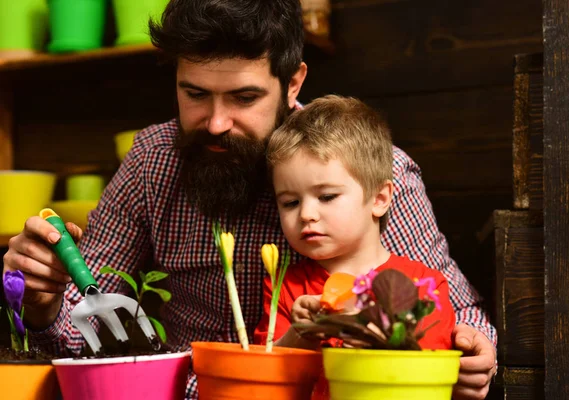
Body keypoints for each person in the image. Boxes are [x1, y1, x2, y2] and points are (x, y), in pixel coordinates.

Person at [2, 0, 497, 399]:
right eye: (194, 94)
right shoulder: (153, 163)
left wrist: (474, 352)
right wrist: (45, 303)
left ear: (293, 83)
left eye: (243, 98)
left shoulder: (367, 170)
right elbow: (89, 322)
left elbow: (463, 314)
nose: (216, 123)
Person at [254, 95, 457, 398]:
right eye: (290, 202)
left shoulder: (424, 286)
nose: (306, 213)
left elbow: (432, 376)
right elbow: (266, 374)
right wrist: (302, 333)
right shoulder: (286, 287)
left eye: (327, 196)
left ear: (379, 199)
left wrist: (382, 337)